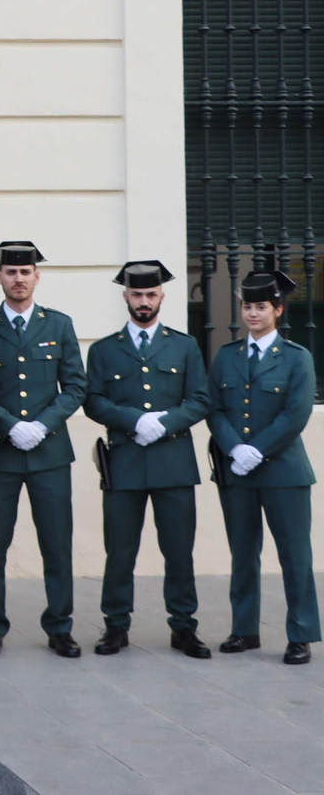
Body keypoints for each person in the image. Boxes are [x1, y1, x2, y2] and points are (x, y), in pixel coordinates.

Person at [83, 261, 212, 658]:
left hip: (173, 460)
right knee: (119, 550)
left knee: (178, 550)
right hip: (124, 461)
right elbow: (93, 401)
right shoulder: (104, 349)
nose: (143, 302)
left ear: (162, 297)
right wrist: (135, 420)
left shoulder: (184, 345)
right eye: (136, 295)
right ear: (125, 297)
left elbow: (201, 400)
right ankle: (115, 626)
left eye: (150, 295)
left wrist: (168, 423)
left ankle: (184, 627)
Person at [0, 242, 87, 659]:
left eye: (26, 272)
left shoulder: (59, 325)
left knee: (57, 544)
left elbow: (75, 386)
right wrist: (9, 425)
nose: (18, 278)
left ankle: (60, 626)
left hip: (49, 453)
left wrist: (42, 424)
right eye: (10, 272)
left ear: (37, 277)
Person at [208, 270, 317, 665]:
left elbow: (296, 414)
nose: (252, 314)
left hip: (284, 472)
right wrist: (235, 448)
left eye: (261, 307)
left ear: (277, 310)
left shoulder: (296, 358)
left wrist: (258, 449)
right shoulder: (226, 356)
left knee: (294, 555)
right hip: (238, 470)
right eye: (247, 306)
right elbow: (215, 409)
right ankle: (244, 629)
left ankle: (301, 634)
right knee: (242, 553)